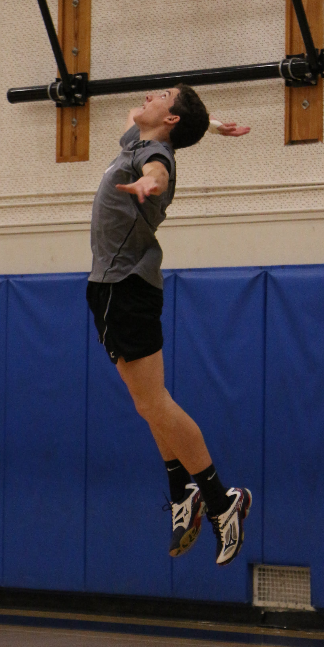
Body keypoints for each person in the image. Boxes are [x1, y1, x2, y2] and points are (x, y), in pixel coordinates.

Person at [86, 85, 252, 566]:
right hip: (109, 286)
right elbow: (160, 124)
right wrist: (214, 125)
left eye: (160, 96)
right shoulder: (136, 142)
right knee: (147, 405)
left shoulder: (153, 154)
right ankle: (183, 490)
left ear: (170, 120)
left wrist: (149, 185)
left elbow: (157, 170)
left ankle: (222, 500)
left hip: (127, 287)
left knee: (154, 403)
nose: (147, 96)